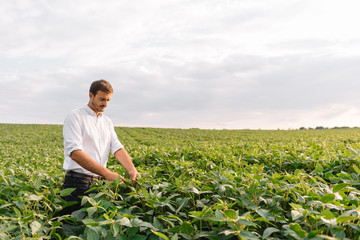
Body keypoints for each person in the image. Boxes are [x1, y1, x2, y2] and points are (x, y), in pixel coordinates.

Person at [61, 79, 140, 214]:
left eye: (108, 100)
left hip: (99, 185)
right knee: (72, 227)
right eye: (102, 99)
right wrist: (107, 173)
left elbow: (117, 147)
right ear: (91, 95)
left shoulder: (106, 122)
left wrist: (131, 169)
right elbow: (75, 152)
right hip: (77, 183)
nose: (105, 104)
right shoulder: (75, 117)